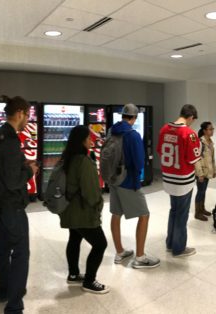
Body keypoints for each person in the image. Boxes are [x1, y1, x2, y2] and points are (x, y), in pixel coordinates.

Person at [0, 95, 36, 313]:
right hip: (12, 206)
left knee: (3, 248)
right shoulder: (10, 140)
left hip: (0, 204)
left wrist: (20, 165)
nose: (28, 119)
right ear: (20, 113)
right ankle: (15, 305)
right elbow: (12, 180)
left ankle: (5, 290)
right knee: (20, 253)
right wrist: (29, 170)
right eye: (28, 115)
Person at [58, 125, 109, 294]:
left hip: (69, 209)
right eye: (88, 138)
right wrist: (98, 206)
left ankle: (73, 274)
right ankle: (89, 281)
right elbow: (91, 192)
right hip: (83, 211)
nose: (91, 140)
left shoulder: (67, 158)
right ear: (81, 141)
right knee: (100, 244)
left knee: (74, 238)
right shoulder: (84, 162)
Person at [110, 104, 159, 269]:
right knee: (144, 214)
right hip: (129, 181)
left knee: (116, 214)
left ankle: (119, 251)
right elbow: (139, 162)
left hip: (114, 179)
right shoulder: (133, 135)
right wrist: (137, 178)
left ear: (122, 115)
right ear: (134, 118)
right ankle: (140, 256)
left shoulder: (112, 131)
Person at [158, 104, 201, 258]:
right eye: (192, 121)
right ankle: (179, 248)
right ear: (190, 117)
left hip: (168, 177)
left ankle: (170, 243)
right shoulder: (188, 133)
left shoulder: (164, 129)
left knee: (173, 210)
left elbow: (159, 151)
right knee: (182, 214)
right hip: (183, 180)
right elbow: (193, 158)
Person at [193, 122, 215, 221]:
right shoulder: (200, 142)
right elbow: (196, 159)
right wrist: (200, 174)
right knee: (200, 191)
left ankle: (202, 209)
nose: (212, 130)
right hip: (201, 172)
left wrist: (213, 170)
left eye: (212, 129)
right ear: (205, 131)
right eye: (210, 129)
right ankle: (197, 212)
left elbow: (212, 158)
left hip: (207, 171)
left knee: (203, 191)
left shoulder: (210, 142)